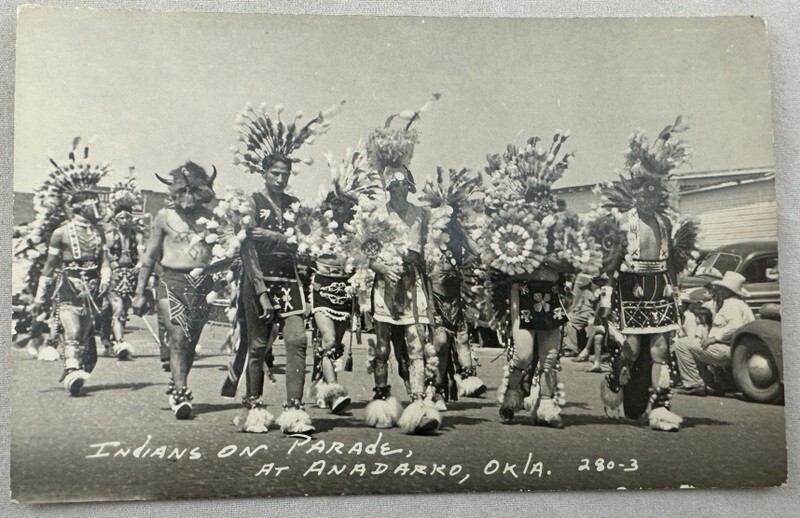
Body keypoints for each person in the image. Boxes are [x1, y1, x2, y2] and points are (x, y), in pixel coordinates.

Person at [230, 101, 344, 434]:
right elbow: (248, 248)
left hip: (290, 280)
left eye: (285, 174)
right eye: (274, 174)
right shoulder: (251, 202)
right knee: (257, 346)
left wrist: (275, 235)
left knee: (297, 340)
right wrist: (261, 291)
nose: (280, 179)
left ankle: (294, 412)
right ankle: (253, 406)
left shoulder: (296, 207)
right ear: (263, 173)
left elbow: (305, 243)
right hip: (259, 281)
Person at [598, 117, 697, 431]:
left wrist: (675, 291)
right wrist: (606, 296)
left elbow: (669, 261)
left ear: (657, 197)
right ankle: (614, 383)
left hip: (660, 289)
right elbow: (611, 262)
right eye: (642, 194)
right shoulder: (622, 221)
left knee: (659, 349)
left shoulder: (665, 222)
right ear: (634, 194)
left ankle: (661, 408)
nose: (647, 199)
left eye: (653, 195)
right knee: (631, 348)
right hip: (631, 287)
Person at [132, 162, 218, 420]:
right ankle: (181, 392)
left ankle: (176, 381)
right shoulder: (163, 217)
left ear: (202, 191)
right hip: (171, 282)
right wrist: (139, 292)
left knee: (189, 343)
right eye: (183, 191)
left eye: (193, 191)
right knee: (178, 337)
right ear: (175, 192)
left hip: (203, 285)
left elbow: (225, 251)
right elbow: (149, 256)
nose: (188, 197)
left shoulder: (213, 219)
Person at [28, 140, 112, 396]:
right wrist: (41, 297)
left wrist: (106, 276)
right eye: (93, 202)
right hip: (68, 286)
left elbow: (105, 261)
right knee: (73, 330)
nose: (98, 206)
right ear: (79, 206)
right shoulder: (60, 234)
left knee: (85, 332)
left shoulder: (99, 231)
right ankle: (73, 369)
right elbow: (50, 266)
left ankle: (75, 368)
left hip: (93, 288)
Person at [673, 272, 755, 396]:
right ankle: (712, 383)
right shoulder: (740, 304)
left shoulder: (731, 304)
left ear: (728, 290)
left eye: (721, 289)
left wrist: (715, 338)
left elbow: (735, 326)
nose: (719, 291)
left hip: (727, 349)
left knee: (682, 345)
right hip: (736, 349)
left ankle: (694, 384)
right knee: (694, 346)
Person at [103, 177, 145, 360]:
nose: (125, 220)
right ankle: (120, 343)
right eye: (121, 217)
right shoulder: (111, 233)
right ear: (115, 219)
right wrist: (111, 264)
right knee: (117, 309)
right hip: (115, 275)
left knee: (124, 310)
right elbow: (104, 251)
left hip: (132, 274)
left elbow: (143, 252)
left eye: (128, 217)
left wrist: (140, 265)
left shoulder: (137, 234)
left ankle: (115, 339)